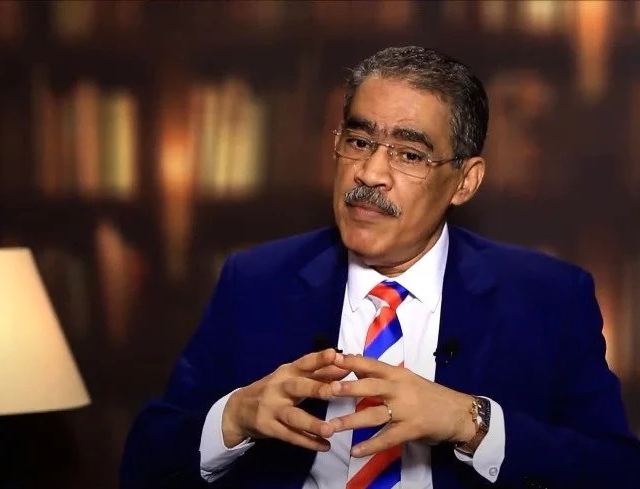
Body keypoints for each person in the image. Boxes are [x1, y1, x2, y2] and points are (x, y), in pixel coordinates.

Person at [120, 46, 640, 489]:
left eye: (410, 155)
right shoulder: (255, 281)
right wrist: (235, 417)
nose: (370, 173)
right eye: (359, 141)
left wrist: (471, 422)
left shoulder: (549, 299)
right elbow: (144, 463)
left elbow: (617, 471)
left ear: (465, 182)